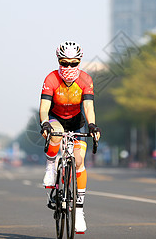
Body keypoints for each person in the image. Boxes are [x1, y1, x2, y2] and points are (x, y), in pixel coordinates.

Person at [39, 41, 101, 234]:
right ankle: (50, 166)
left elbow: (89, 107)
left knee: (79, 161)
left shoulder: (85, 80)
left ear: (79, 62)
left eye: (73, 64)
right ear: (59, 61)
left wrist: (91, 125)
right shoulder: (51, 79)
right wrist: (45, 123)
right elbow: (43, 108)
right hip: (56, 119)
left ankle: (79, 212)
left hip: (77, 123)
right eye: (64, 63)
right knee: (56, 135)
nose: (68, 68)